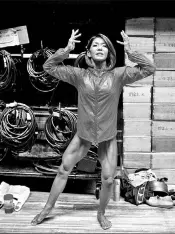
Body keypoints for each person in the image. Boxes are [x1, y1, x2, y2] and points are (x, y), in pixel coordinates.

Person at [31, 29, 156, 229]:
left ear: (109, 52)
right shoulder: (78, 75)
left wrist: (132, 53)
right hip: (83, 134)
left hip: (107, 137)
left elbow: (149, 68)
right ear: (88, 53)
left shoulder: (119, 75)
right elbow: (48, 66)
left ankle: (101, 213)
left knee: (107, 179)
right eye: (95, 45)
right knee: (63, 169)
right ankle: (47, 208)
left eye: (104, 45)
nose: (100, 48)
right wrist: (66, 50)